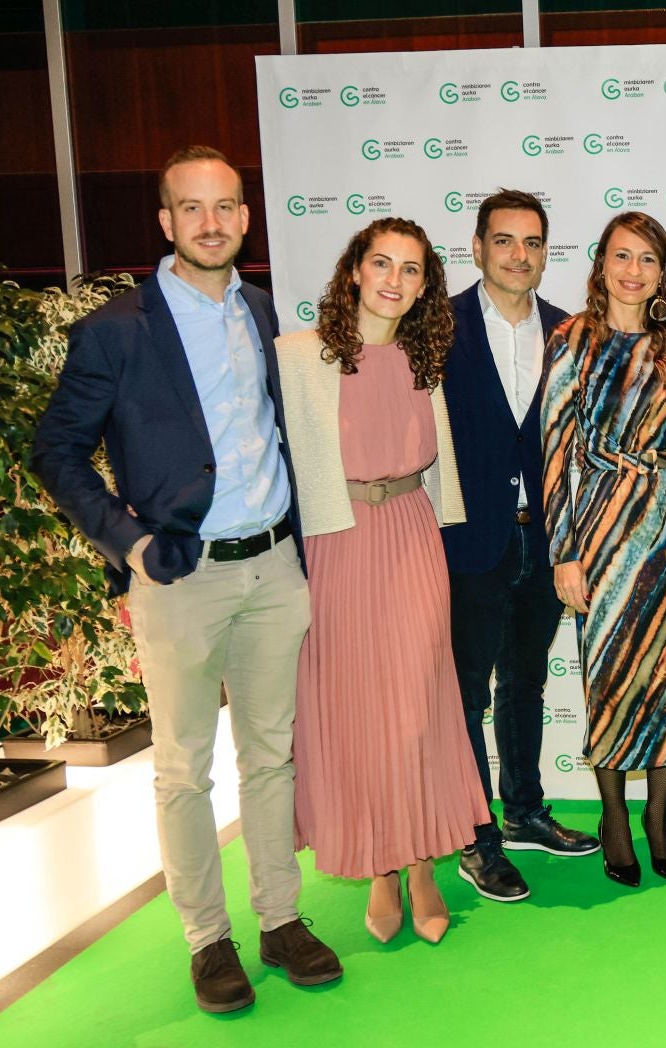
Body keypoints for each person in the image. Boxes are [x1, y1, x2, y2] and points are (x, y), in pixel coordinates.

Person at [33, 145, 340, 1014]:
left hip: (275, 566)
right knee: (182, 769)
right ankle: (209, 938)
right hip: (180, 575)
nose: (212, 222)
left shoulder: (260, 310)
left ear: (246, 217)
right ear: (165, 223)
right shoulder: (114, 331)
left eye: (227, 206)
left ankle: (281, 918)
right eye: (192, 208)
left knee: (272, 756)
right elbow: (56, 451)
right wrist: (128, 543)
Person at [278, 216, 489, 945]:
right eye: (382, 263)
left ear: (426, 285)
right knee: (362, 712)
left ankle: (424, 860)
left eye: (411, 269)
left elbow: (439, 464)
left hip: (410, 534)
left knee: (420, 708)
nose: (394, 279)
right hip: (338, 543)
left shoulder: (423, 355)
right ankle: (380, 866)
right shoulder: (301, 357)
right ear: (355, 271)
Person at [541, 211, 666, 889]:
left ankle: (658, 815)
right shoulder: (572, 340)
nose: (633, 271)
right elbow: (556, 450)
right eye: (622, 256)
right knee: (613, 676)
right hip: (604, 526)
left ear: (663, 271)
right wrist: (565, 550)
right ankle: (613, 815)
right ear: (601, 263)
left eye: (648, 259)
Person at [441, 189, 597, 905]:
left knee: (526, 681)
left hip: (548, 539)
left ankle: (526, 809)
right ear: (477, 248)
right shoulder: (436, 327)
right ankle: (478, 837)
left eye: (532, 242)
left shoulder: (570, 331)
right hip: (468, 541)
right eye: (504, 240)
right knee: (467, 694)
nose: (519, 254)